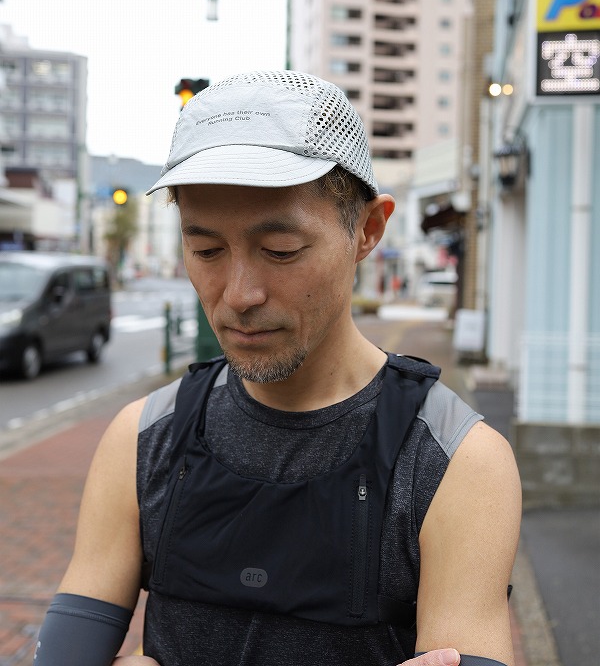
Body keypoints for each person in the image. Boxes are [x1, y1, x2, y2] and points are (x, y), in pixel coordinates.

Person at [33, 71, 521, 666]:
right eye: (206, 250)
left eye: (281, 251)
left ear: (367, 230)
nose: (240, 294)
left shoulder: (456, 461)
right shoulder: (142, 438)